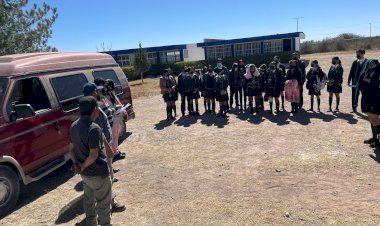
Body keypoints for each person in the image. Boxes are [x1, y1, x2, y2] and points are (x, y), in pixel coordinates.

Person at [69, 96, 113, 226]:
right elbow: (93, 155)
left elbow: (70, 149)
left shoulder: (74, 126)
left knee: (88, 200)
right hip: (98, 172)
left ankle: (91, 223)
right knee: (103, 203)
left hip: (85, 175)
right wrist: (81, 166)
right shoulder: (94, 128)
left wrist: (76, 164)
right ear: (95, 110)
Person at [82, 82, 125, 213]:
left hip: (103, 148)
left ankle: (107, 201)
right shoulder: (93, 109)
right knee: (108, 176)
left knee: (106, 176)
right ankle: (111, 203)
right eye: (96, 91)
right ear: (92, 93)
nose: (99, 92)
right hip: (102, 149)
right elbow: (99, 130)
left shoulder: (94, 106)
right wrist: (108, 148)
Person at [360, 59, 380, 148]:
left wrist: (370, 81)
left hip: (375, 99)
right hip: (367, 98)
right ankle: (374, 138)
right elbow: (361, 84)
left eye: (373, 65)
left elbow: (376, 85)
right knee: (371, 118)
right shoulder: (366, 72)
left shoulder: (378, 73)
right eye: (369, 64)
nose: (370, 66)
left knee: (374, 119)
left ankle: (378, 140)